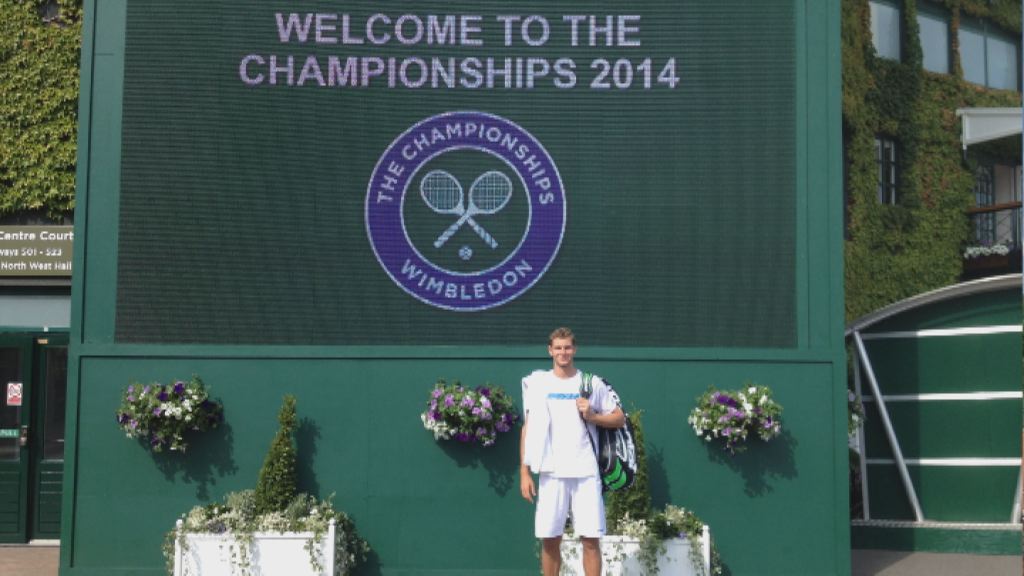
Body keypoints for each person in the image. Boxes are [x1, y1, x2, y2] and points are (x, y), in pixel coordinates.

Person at [520, 327, 625, 576]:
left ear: (574, 349)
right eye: (558, 348)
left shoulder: (591, 382)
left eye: (567, 347)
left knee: (590, 541)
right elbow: (528, 428)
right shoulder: (538, 383)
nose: (563, 352)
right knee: (549, 539)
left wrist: (593, 415)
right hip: (551, 473)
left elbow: (619, 418)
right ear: (550, 350)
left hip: (586, 472)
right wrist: (524, 472)